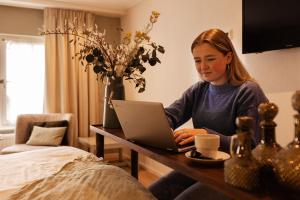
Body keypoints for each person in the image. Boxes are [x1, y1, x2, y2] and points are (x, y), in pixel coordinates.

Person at [148, 28, 268, 200]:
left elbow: (253, 145)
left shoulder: (248, 91)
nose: (202, 67)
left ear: (228, 57)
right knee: (152, 194)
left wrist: (208, 135)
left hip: (239, 173)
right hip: (205, 165)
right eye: (197, 60)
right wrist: (163, 125)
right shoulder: (199, 89)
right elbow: (171, 114)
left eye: (210, 59)